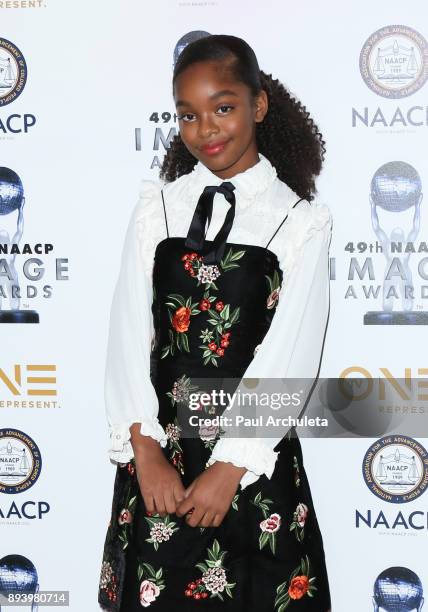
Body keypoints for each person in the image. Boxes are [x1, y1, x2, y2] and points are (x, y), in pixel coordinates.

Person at [98, 34, 332, 612]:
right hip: (160, 468)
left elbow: (293, 354)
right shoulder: (159, 206)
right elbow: (128, 331)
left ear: (258, 105)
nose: (206, 129)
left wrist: (231, 464)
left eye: (223, 107)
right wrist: (144, 449)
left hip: (253, 470)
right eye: (188, 115)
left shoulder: (300, 222)